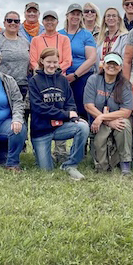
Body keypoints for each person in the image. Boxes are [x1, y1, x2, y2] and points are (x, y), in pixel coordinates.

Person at [29, 47, 89, 180]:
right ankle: (41, 152)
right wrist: (66, 115)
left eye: (55, 62)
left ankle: (70, 164)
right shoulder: (34, 81)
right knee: (46, 170)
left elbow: (70, 103)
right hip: (41, 131)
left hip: (60, 128)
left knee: (83, 127)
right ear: (42, 61)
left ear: (58, 62)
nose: (52, 65)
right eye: (48, 62)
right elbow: (39, 108)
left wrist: (74, 118)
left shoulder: (63, 80)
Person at [84, 52, 133, 174]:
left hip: (114, 119)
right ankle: (103, 164)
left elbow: (126, 112)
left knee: (124, 124)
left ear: (121, 67)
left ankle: (125, 163)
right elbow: (88, 106)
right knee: (101, 138)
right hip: (99, 121)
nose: (112, 66)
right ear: (103, 65)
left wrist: (102, 117)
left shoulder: (125, 85)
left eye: (115, 64)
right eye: (109, 63)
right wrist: (106, 121)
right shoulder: (93, 80)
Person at [59, 3, 97, 119]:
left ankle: (86, 133)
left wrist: (75, 75)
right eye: (72, 14)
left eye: (78, 14)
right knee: (62, 107)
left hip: (82, 75)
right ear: (67, 15)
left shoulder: (86, 34)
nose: (75, 17)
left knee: (82, 107)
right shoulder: (59, 34)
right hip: (61, 76)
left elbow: (91, 58)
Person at [0, 11, 31, 100]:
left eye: (16, 21)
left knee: (21, 113)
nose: (13, 23)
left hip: (22, 86)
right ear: (4, 23)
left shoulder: (25, 42)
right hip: (1, 85)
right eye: (9, 21)